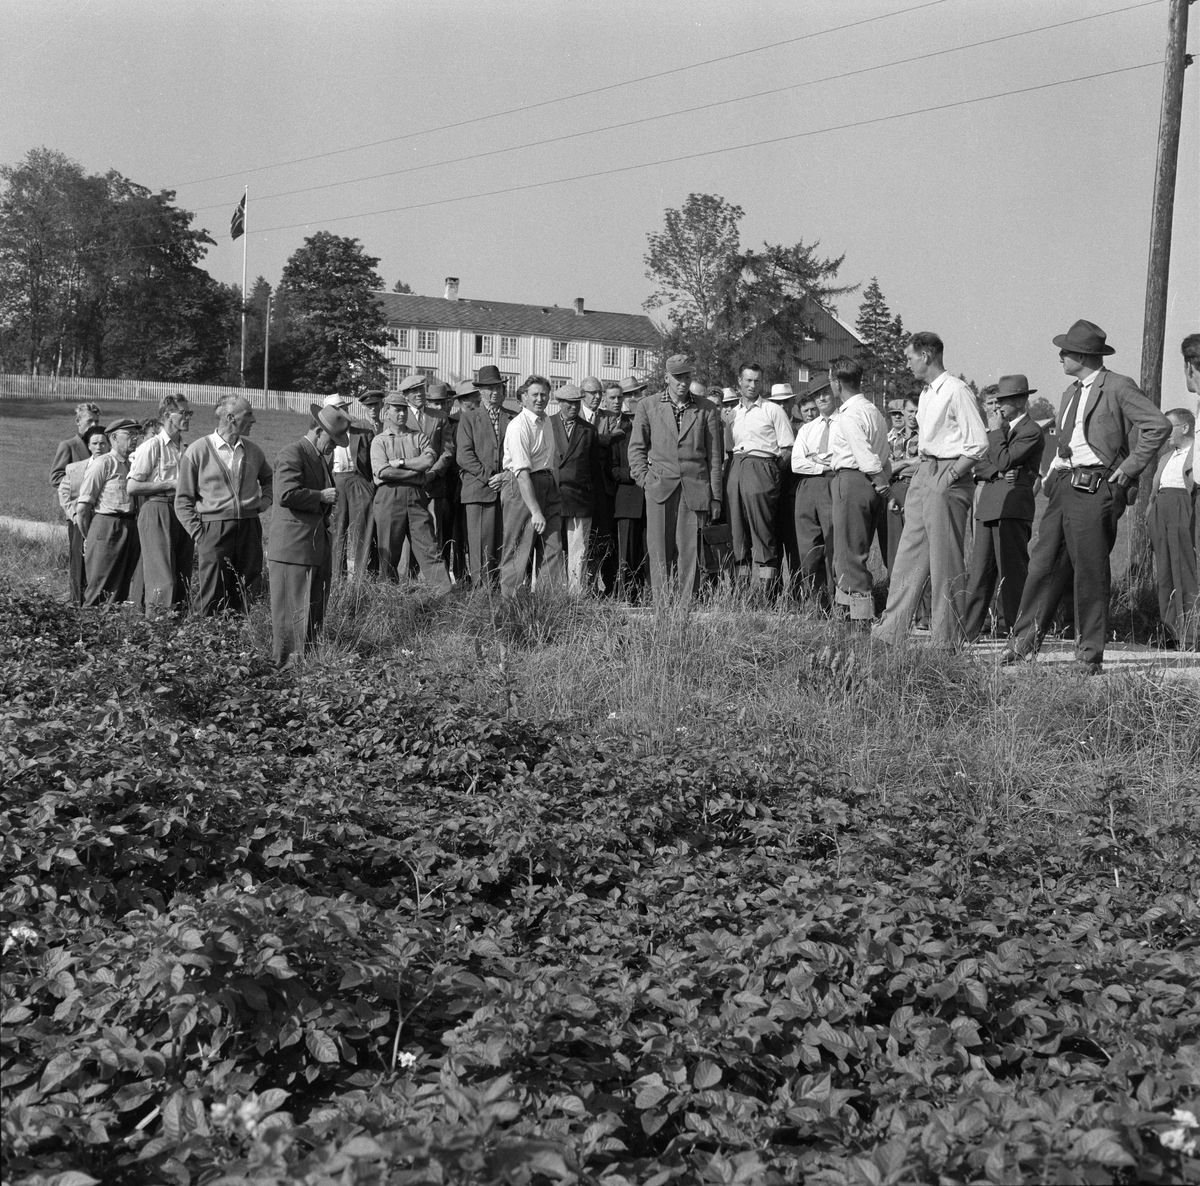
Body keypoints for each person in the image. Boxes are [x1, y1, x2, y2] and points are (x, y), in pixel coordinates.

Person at [1003, 319, 1171, 669]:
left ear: (1083, 354)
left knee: (1090, 571)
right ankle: (1021, 644)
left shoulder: (1119, 386)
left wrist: (1128, 469)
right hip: (1064, 487)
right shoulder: (1070, 393)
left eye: (1065, 351)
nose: (1060, 356)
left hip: (1097, 487)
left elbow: (1158, 425)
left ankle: (1089, 654)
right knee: (1042, 564)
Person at [874, 332, 988, 650]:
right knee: (908, 557)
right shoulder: (926, 394)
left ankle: (946, 639)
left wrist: (950, 475)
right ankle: (890, 631)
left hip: (949, 474)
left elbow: (978, 443)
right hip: (926, 470)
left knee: (945, 562)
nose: (907, 364)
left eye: (910, 357)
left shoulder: (957, 391)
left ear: (925, 356)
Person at [627, 355, 723, 601]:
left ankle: (684, 609)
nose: (683, 382)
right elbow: (636, 449)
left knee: (689, 552)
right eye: (678, 376)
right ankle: (661, 608)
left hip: (695, 489)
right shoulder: (648, 405)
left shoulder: (706, 409)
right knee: (658, 550)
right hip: (659, 488)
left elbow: (714, 457)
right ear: (666, 377)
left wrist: (715, 498)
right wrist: (645, 480)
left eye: (687, 376)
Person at [962, 375, 1045, 640]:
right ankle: (969, 631)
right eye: (997, 402)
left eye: (1004, 402)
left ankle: (1016, 634)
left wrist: (997, 439)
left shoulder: (1030, 430)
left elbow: (1004, 458)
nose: (998, 407)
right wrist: (1000, 472)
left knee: (1012, 574)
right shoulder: (1002, 431)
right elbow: (982, 464)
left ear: (1020, 401)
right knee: (979, 575)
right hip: (989, 506)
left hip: (1012, 509)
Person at [175, 395, 273, 616]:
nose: (254, 419)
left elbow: (269, 479)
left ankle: (240, 641)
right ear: (230, 417)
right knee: (211, 590)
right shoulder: (198, 451)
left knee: (247, 587)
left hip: (249, 528)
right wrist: (200, 535)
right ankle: (204, 640)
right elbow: (182, 500)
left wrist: (265, 501)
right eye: (248, 414)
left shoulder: (254, 451)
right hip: (214, 529)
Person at [267, 403, 348, 668]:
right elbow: (285, 494)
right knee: (291, 616)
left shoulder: (317, 458)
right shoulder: (292, 453)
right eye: (332, 441)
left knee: (311, 613)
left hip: (312, 549)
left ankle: (304, 668)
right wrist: (320, 496)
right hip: (294, 549)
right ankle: (284, 671)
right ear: (316, 431)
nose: (333, 448)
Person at [826, 359, 891, 627]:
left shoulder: (850, 415)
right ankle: (846, 617)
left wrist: (883, 486)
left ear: (837, 383)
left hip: (854, 481)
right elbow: (884, 455)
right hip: (869, 483)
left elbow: (866, 457)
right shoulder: (873, 411)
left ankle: (859, 624)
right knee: (849, 553)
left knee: (849, 555)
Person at [727, 362, 795, 592]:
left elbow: (787, 448)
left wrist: (771, 473)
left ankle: (769, 594)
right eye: (748, 380)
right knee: (738, 534)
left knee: (763, 533)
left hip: (762, 467)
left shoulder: (772, 410)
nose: (752, 385)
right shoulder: (733, 413)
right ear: (739, 381)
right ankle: (742, 593)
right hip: (736, 467)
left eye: (757, 380)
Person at [370, 392, 448, 590]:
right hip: (389, 496)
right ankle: (388, 598)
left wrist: (401, 463)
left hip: (416, 497)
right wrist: (414, 473)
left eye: (404, 409)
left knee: (429, 546)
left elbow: (429, 460)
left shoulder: (419, 436)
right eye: (397, 410)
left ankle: (444, 594)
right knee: (388, 551)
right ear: (386, 412)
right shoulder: (379, 441)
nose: (402, 414)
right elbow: (382, 471)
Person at [126, 394, 195, 617]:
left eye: (189, 413)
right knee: (161, 577)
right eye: (183, 413)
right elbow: (133, 487)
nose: (188, 418)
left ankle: (178, 631)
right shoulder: (152, 446)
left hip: (182, 510)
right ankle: (156, 631)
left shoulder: (187, 448)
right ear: (167, 415)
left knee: (182, 573)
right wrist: (171, 483)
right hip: (157, 509)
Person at [499, 376, 565, 596]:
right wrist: (535, 511)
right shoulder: (518, 425)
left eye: (544, 395)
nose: (540, 399)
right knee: (519, 548)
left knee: (553, 548)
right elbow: (521, 472)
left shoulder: (546, 421)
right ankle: (510, 608)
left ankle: (548, 606)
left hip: (547, 483)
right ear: (523, 397)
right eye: (534, 394)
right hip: (523, 487)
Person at [76, 417, 142, 606]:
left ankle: (111, 632)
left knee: (120, 588)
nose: (135, 438)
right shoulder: (103, 463)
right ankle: (87, 632)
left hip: (130, 525)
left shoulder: (133, 465)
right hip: (107, 525)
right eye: (129, 434)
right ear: (113, 437)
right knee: (100, 587)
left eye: (136, 434)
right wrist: (90, 537)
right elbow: (83, 508)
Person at [456, 366, 512, 585]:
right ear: (481, 392)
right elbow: (464, 456)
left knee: (504, 542)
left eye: (498, 387)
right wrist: (491, 476)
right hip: (479, 489)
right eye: (489, 388)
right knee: (480, 544)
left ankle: (501, 590)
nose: (494, 392)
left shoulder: (512, 417)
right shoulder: (469, 419)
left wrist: (505, 476)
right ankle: (481, 593)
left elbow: (518, 453)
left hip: (507, 489)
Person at [1147, 408, 1196, 649]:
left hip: (1183, 508)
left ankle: (1190, 635)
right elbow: (1155, 490)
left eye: (1170, 428)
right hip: (1161, 509)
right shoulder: (1166, 457)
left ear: (1185, 428)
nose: (1165, 434)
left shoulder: (1196, 454)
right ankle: (1169, 632)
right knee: (1165, 572)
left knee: (1185, 571)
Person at [550, 384, 601, 594]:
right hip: (553, 495)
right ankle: (548, 592)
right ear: (559, 403)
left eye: (576, 402)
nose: (573, 407)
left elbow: (594, 466)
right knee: (551, 548)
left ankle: (576, 595)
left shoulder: (588, 429)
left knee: (578, 548)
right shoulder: (547, 424)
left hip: (580, 497)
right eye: (568, 403)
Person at [790, 386, 839, 606]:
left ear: (834, 393)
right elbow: (797, 462)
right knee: (808, 547)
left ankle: (836, 600)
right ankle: (814, 602)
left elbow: (842, 459)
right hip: (807, 488)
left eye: (825, 393)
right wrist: (822, 464)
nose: (821, 399)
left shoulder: (844, 424)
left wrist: (815, 458)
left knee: (834, 545)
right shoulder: (807, 430)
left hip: (833, 485)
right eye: (817, 395)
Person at [50, 401, 102, 605]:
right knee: (78, 557)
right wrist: (79, 481)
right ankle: (76, 601)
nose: (93, 425)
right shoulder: (69, 446)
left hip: (98, 511)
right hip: (77, 511)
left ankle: (94, 599)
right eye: (89, 421)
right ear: (78, 422)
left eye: (97, 421)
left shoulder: (100, 444)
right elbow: (55, 477)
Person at [329, 391, 379, 578]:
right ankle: (336, 580)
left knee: (362, 531)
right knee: (337, 532)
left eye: (345, 409)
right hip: (335, 481)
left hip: (358, 481)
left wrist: (369, 486)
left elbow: (373, 462)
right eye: (339, 410)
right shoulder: (325, 434)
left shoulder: (364, 432)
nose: (344, 413)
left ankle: (361, 580)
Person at [611, 392, 648, 599]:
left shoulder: (655, 438)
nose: (636, 420)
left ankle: (646, 593)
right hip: (626, 500)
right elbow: (612, 469)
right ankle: (626, 594)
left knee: (647, 551)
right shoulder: (620, 438)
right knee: (626, 551)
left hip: (650, 501)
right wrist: (630, 473)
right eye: (632, 416)